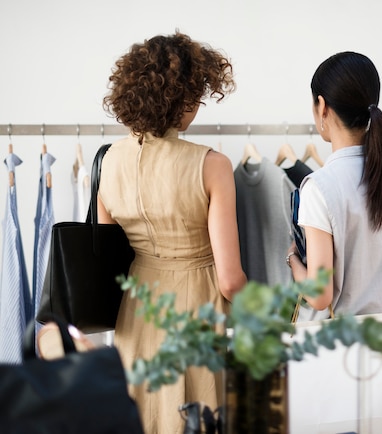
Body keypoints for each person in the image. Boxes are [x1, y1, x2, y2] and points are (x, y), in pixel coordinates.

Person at [99, 31, 247, 433]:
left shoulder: (109, 161)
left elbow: (107, 251)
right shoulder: (211, 165)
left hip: (136, 310)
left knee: (141, 416)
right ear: (181, 98)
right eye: (196, 94)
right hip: (195, 309)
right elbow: (231, 280)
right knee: (197, 416)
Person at [287, 51, 382, 334]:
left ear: (322, 107)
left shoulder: (319, 187)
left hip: (350, 359)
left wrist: (293, 262)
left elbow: (319, 296)